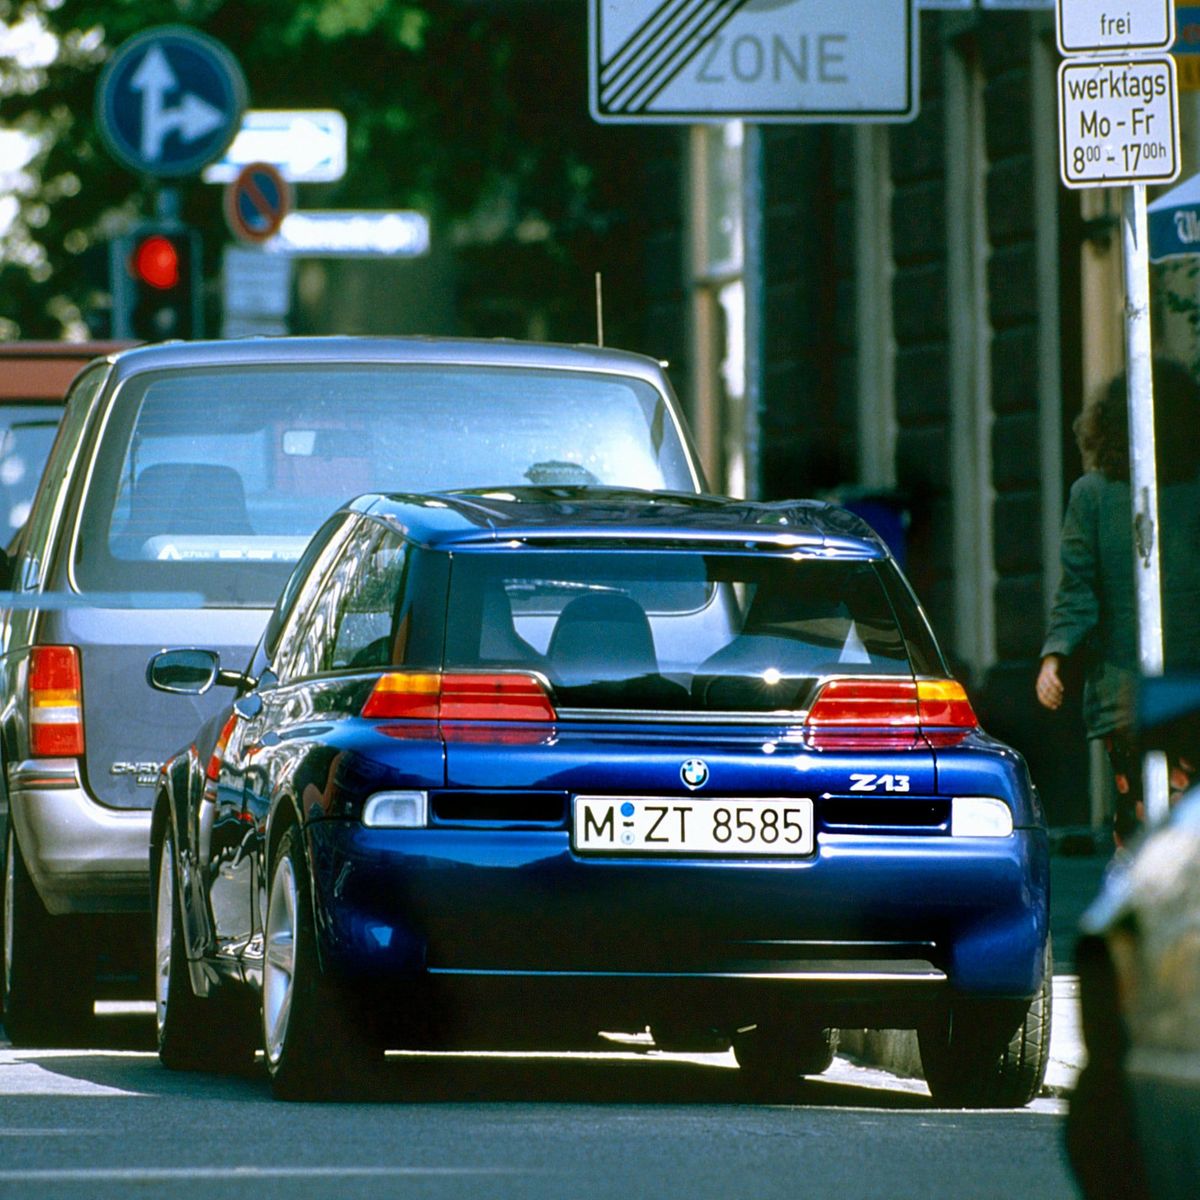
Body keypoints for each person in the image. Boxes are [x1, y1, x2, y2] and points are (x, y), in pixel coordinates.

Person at [1036, 360, 1200, 846]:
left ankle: (1144, 907)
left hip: (1125, 688)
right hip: (1189, 681)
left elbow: (1078, 588)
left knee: (1140, 821)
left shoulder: (1091, 495)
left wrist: (1055, 657)